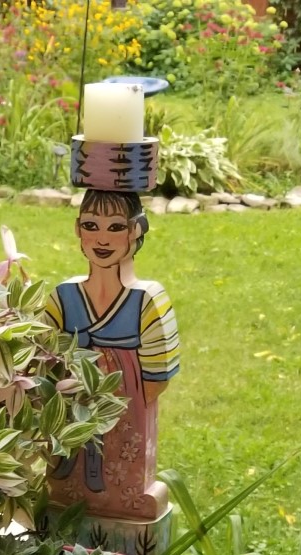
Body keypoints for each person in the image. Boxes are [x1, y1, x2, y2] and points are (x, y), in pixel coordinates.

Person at [46, 189, 180, 522]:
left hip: (124, 412)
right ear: (78, 229)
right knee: (66, 478)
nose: (102, 238)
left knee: (120, 474)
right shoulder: (63, 297)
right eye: (91, 225)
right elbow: (42, 355)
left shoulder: (147, 300)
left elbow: (157, 377)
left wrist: (126, 401)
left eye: (115, 227)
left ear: (136, 229)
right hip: (71, 401)